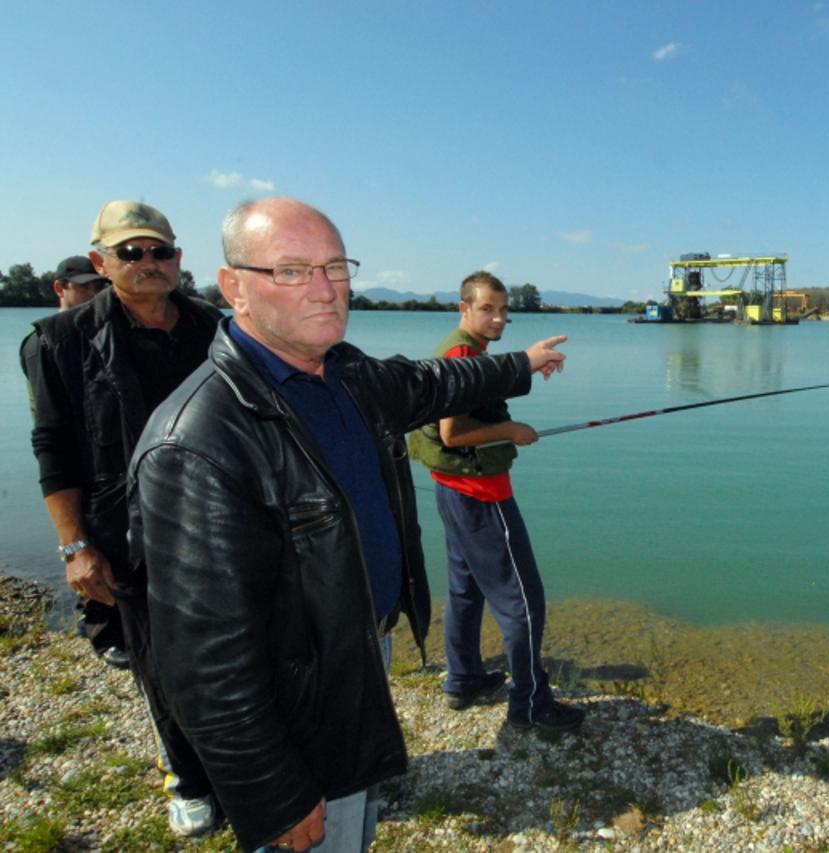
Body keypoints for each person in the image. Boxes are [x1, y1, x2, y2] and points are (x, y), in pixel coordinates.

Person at [128, 197, 567, 852]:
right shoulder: (195, 440)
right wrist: (269, 789)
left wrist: (522, 364)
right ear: (234, 288)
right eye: (293, 270)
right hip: (294, 688)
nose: (327, 288)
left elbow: (432, 381)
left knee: (354, 825)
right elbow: (202, 654)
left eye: (336, 267)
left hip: (357, 647)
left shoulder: (345, 373)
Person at [24, 203, 221, 835]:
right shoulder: (58, 341)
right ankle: (185, 777)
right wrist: (74, 545)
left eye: (159, 252)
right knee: (157, 659)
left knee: (231, 650)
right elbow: (52, 447)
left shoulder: (215, 328)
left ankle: (238, 766)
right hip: (125, 526)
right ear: (101, 262)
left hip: (219, 517)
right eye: (131, 253)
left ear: (178, 260)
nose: (148, 264)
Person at [408, 272, 585, 732]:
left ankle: (463, 679)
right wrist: (512, 430)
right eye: (488, 309)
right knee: (523, 601)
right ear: (463, 308)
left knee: (465, 590)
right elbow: (453, 432)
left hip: (453, 492)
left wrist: (526, 366)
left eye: (504, 310)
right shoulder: (460, 353)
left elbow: (477, 392)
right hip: (481, 496)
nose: (499, 318)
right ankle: (530, 704)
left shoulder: (467, 350)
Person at [19, 256, 124, 666]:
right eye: (83, 286)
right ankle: (97, 619)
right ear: (60, 289)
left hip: (98, 458)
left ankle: (105, 616)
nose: (93, 294)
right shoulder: (42, 343)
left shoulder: (94, 336)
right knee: (82, 539)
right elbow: (46, 424)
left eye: (99, 286)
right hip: (69, 463)